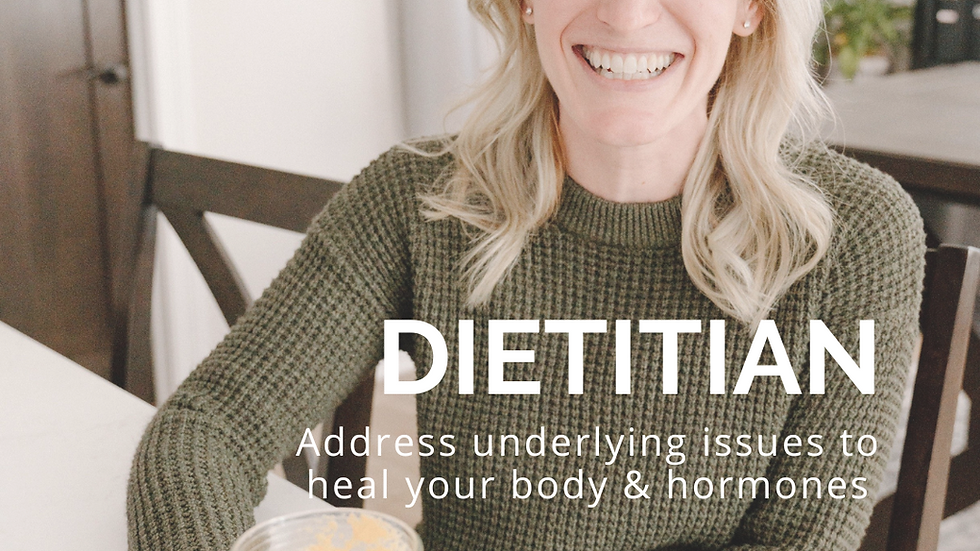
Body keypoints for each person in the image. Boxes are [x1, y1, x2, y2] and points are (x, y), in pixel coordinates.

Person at [127, 0, 925, 550]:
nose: (624, 11)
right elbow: (210, 428)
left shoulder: (852, 237)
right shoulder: (414, 200)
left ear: (754, 7)